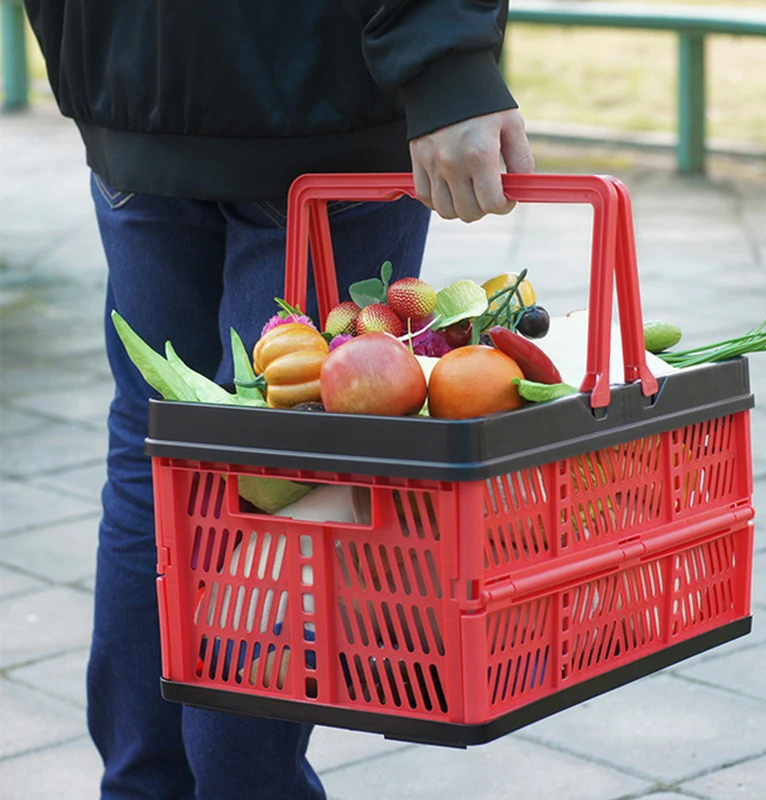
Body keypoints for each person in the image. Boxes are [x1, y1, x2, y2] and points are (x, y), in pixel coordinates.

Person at [24, 2, 535, 797]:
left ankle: (143, 788)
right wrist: (446, 64)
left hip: (130, 84)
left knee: (159, 460)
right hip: (314, 94)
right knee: (291, 480)